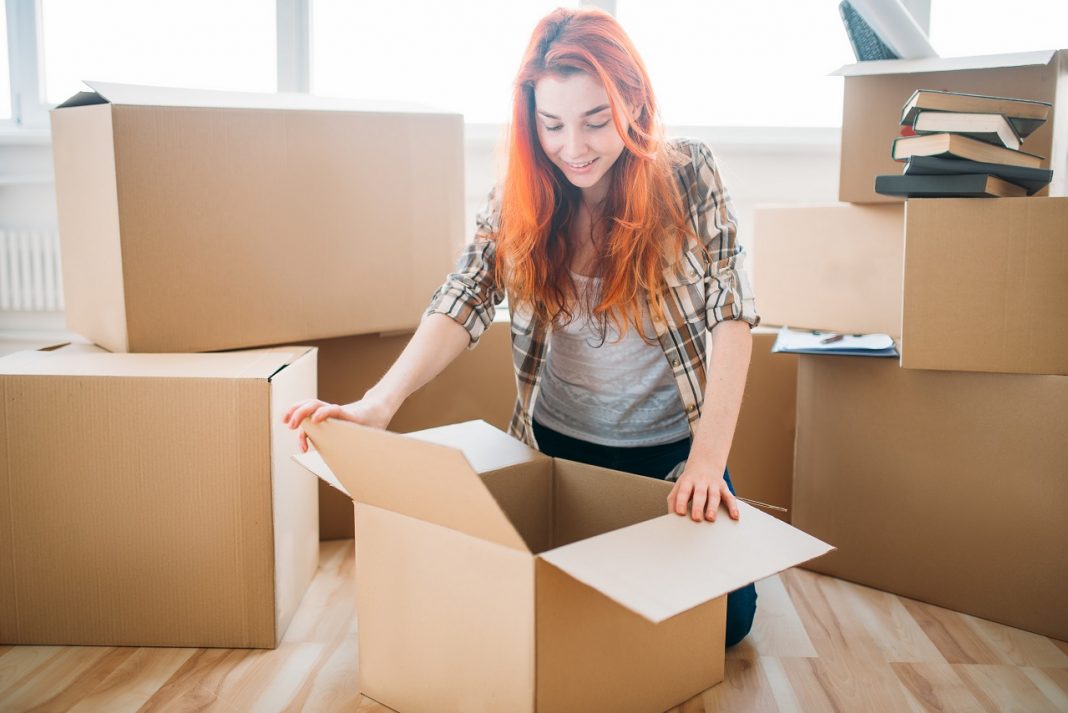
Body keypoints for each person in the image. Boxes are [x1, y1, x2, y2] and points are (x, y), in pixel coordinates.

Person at [283, 7, 760, 647]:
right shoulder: (523, 189)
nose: (574, 148)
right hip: (556, 448)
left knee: (727, 621)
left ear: (634, 104)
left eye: (597, 121)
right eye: (552, 125)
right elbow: (466, 292)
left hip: (671, 454)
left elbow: (731, 309)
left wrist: (708, 460)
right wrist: (377, 403)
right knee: (514, 605)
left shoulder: (687, 171)